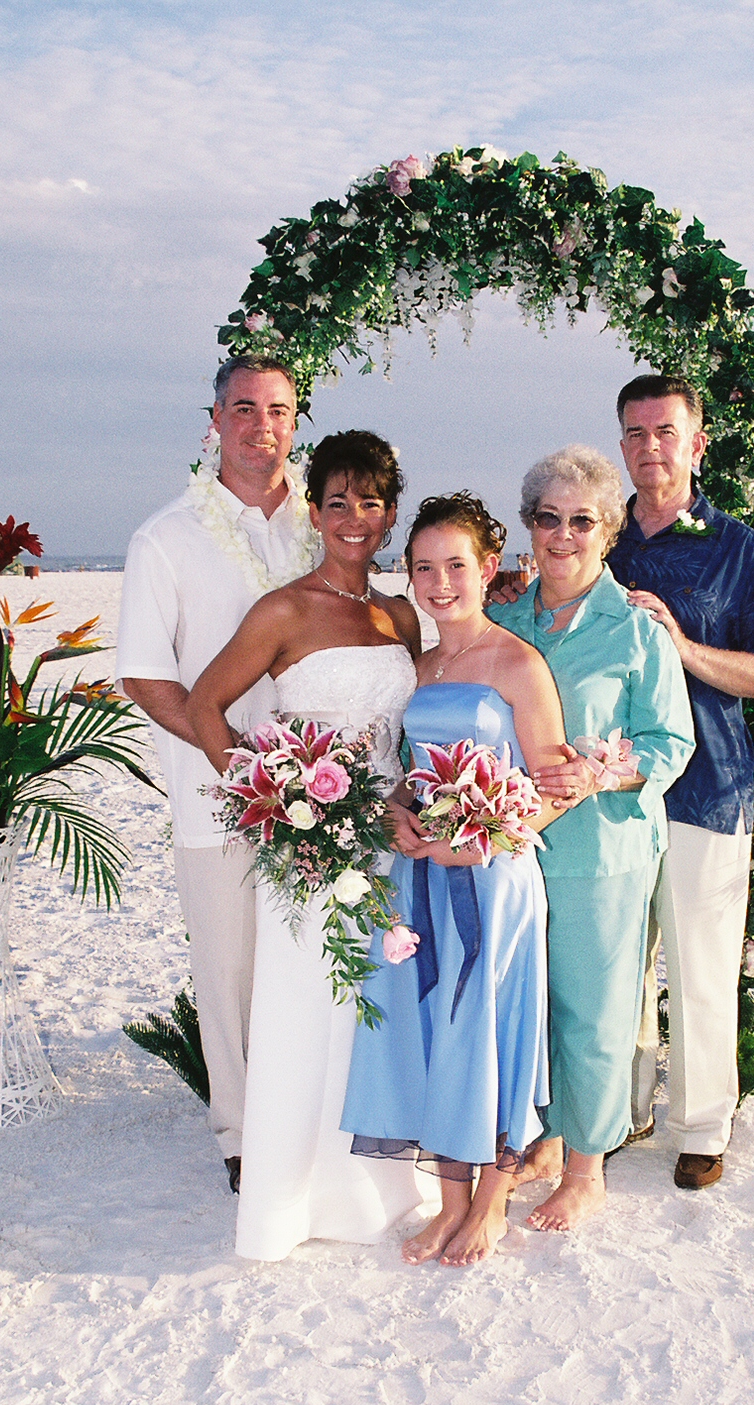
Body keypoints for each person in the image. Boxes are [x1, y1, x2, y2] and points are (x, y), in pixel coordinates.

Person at [187, 431, 429, 1261]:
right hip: (308, 852)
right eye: (336, 502)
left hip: (389, 844)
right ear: (314, 512)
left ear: (390, 513)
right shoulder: (283, 610)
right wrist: (266, 798)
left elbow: (416, 724)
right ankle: (294, 1194)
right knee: (307, 1009)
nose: (354, 518)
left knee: (376, 1012)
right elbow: (203, 707)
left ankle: (381, 1185)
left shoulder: (400, 614)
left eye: (370, 502)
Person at [341, 492, 569, 1267]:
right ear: (409, 575)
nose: (440, 583)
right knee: (434, 1027)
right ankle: (446, 1205)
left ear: (489, 569)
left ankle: (490, 1206)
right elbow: (408, 774)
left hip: (493, 881)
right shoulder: (418, 666)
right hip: (421, 881)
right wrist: (396, 814)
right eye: (424, 568)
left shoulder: (516, 661)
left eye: (456, 566)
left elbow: (551, 783)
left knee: (489, 1031)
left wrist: (487, 839)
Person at [115, 355, 320, 1193]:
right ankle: (240, 1132)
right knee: (228, 966)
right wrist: (228, 755)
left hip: (323, 793)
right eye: (243, 409)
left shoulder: (322, 526)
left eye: (276, 410)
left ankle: (311, 1105)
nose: (260, 427)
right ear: (213, 420)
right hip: (215, 794)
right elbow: (143, 673)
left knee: (310, 954)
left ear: (293, 422)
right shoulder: (166, 535)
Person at [492, 447, 696, 1228]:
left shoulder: (635, 630)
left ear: (609, 531)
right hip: (512, 850)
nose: (563, 534)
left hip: (602, 852)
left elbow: (669, 742)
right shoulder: (503, 617)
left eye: (582, 520)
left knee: (595, 1009)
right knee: (531, 1006)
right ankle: (545, 1139)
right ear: (528, 527)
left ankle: (585, 1169)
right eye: (548, 518)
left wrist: (600, 775)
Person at [608, 374, 754, 1189]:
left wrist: (680, 646)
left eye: (664, 431)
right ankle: (619, 1109)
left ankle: (699, 1127)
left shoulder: (739, 548)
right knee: (615, 965)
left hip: (708, 788)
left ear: (696, 442)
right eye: (635, 432)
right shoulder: (594, 536)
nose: (649, 446)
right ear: (621, 445)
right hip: (608, 789)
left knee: (698, 965)